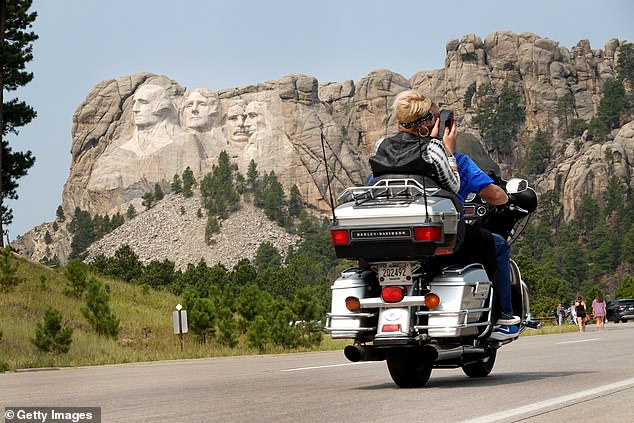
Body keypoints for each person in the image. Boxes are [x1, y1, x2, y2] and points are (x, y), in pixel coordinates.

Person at [441, 125, 521, 341]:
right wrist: (507, 199)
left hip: (398, 240)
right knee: (499, 246)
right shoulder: (455, 162)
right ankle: (505, 318)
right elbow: (494, 194)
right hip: (445, 236)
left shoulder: (390, 160)